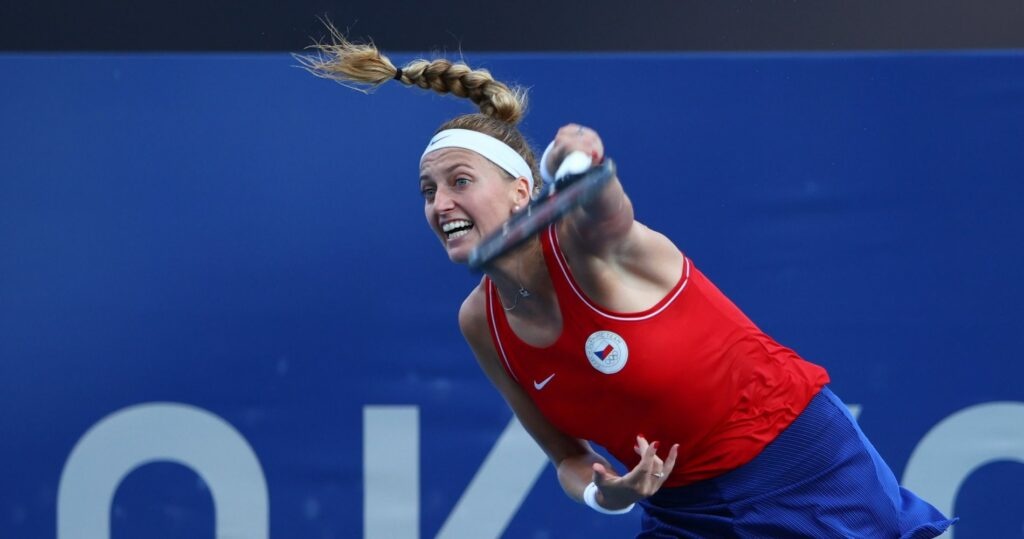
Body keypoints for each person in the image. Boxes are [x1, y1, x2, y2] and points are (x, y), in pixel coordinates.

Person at [298, 28, 957, 538]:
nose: (439, 203)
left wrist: (582, 155)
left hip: (798, 464)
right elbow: (566, 457)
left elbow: (607, 207)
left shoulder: (594, 248)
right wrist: (608, 493)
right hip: (685, 511)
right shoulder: (481, 321)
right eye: (428, 190)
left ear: (525, 189)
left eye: (460, 181)